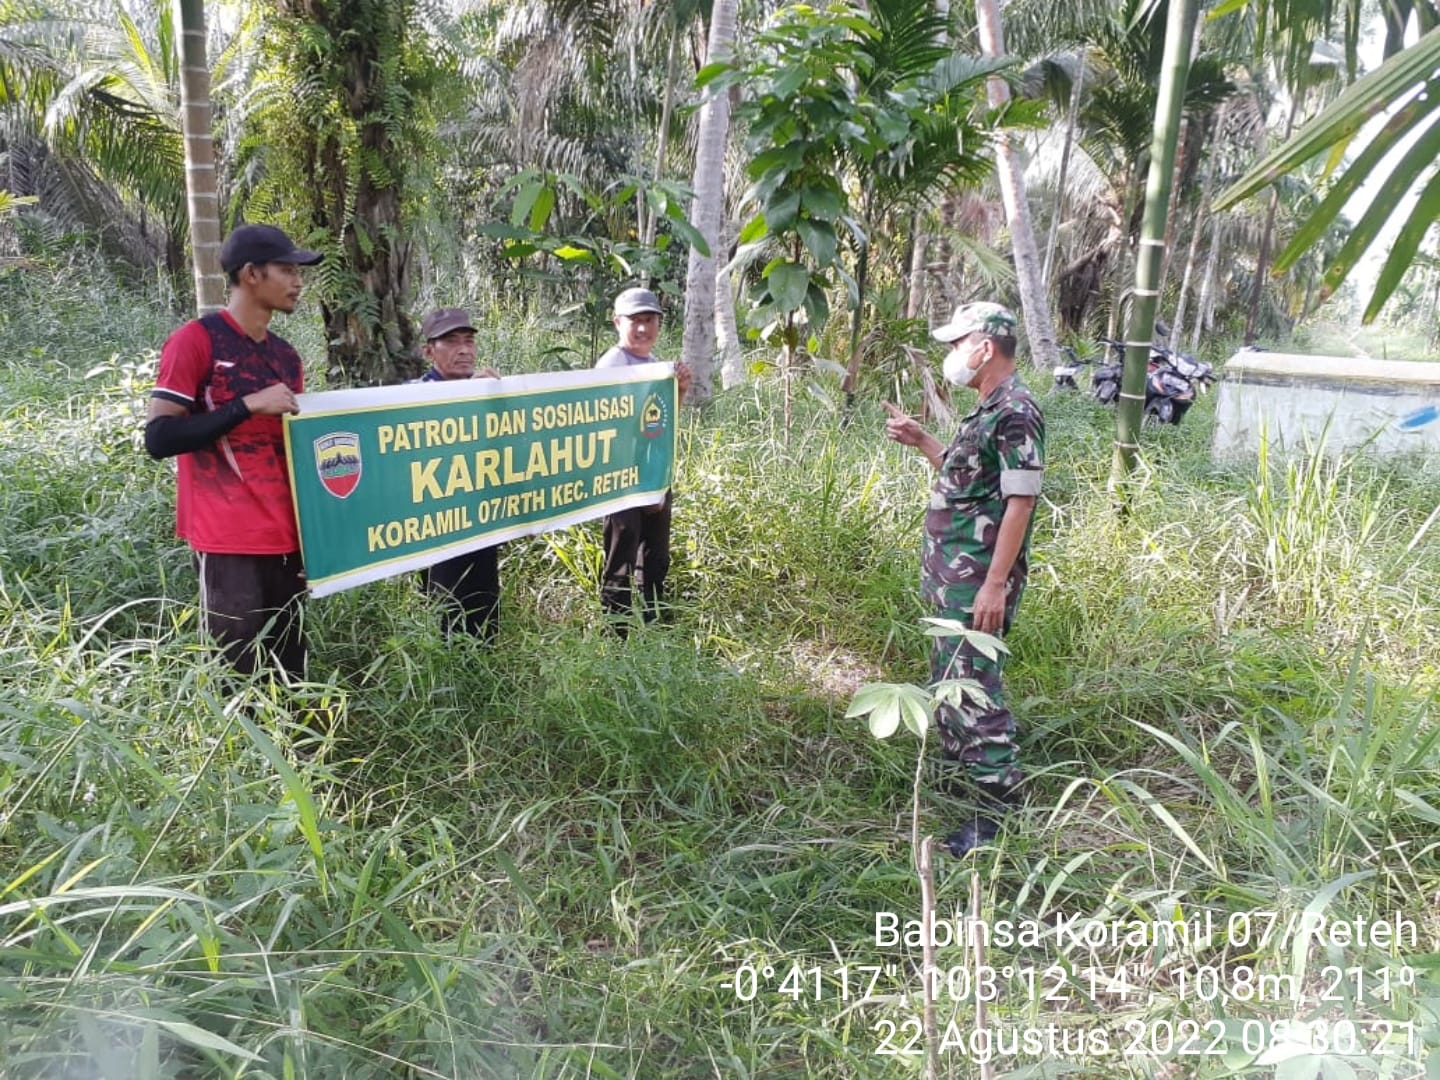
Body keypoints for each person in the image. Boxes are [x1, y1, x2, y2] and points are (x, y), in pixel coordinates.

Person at [883, 302, 1045, 857]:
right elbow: (967, 481)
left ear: (986, 346)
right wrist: (924, 440)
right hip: (955, 576)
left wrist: (995, 583)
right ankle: (961, 776)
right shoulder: (987, 409)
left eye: (958, 343)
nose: (951, 353)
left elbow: (1020, 500)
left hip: (977, 577)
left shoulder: (1016, 410)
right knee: (950, 675)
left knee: (975, 684)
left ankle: (995, 809)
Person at [145, 223, 322, 680]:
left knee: (291, 669)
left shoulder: (287, 357)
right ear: (250, 274)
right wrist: (246, 405)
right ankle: (242, 751)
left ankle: (291, 752)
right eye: (287, 270)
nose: (298, 281)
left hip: (287, 536)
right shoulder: (196, 340)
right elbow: (159, 438)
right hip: (228, 540)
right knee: (236, 674)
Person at [594, 287, 692, 629]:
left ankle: (654, 625)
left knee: (655, 556)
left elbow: (660, 423)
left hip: (653, 474)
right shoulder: (612, 364)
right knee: (621, 553)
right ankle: (616, 632)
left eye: (649, 320)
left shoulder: (655, 367)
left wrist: (678, 390)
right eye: (635, 320)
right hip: (621, 478)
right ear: (618, 322)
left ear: (659, 324)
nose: (642, 329)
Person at [414, 307, 503, 642]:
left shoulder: (485, 389)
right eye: (451, 342)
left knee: (485, 608)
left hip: (481, 520)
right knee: (445, 612)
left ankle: (485, 682)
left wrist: (498, 399)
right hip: (438, 526)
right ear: (428, 351)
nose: (464, 349)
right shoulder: (411, 395)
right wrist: (467, 397)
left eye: (468, 341)